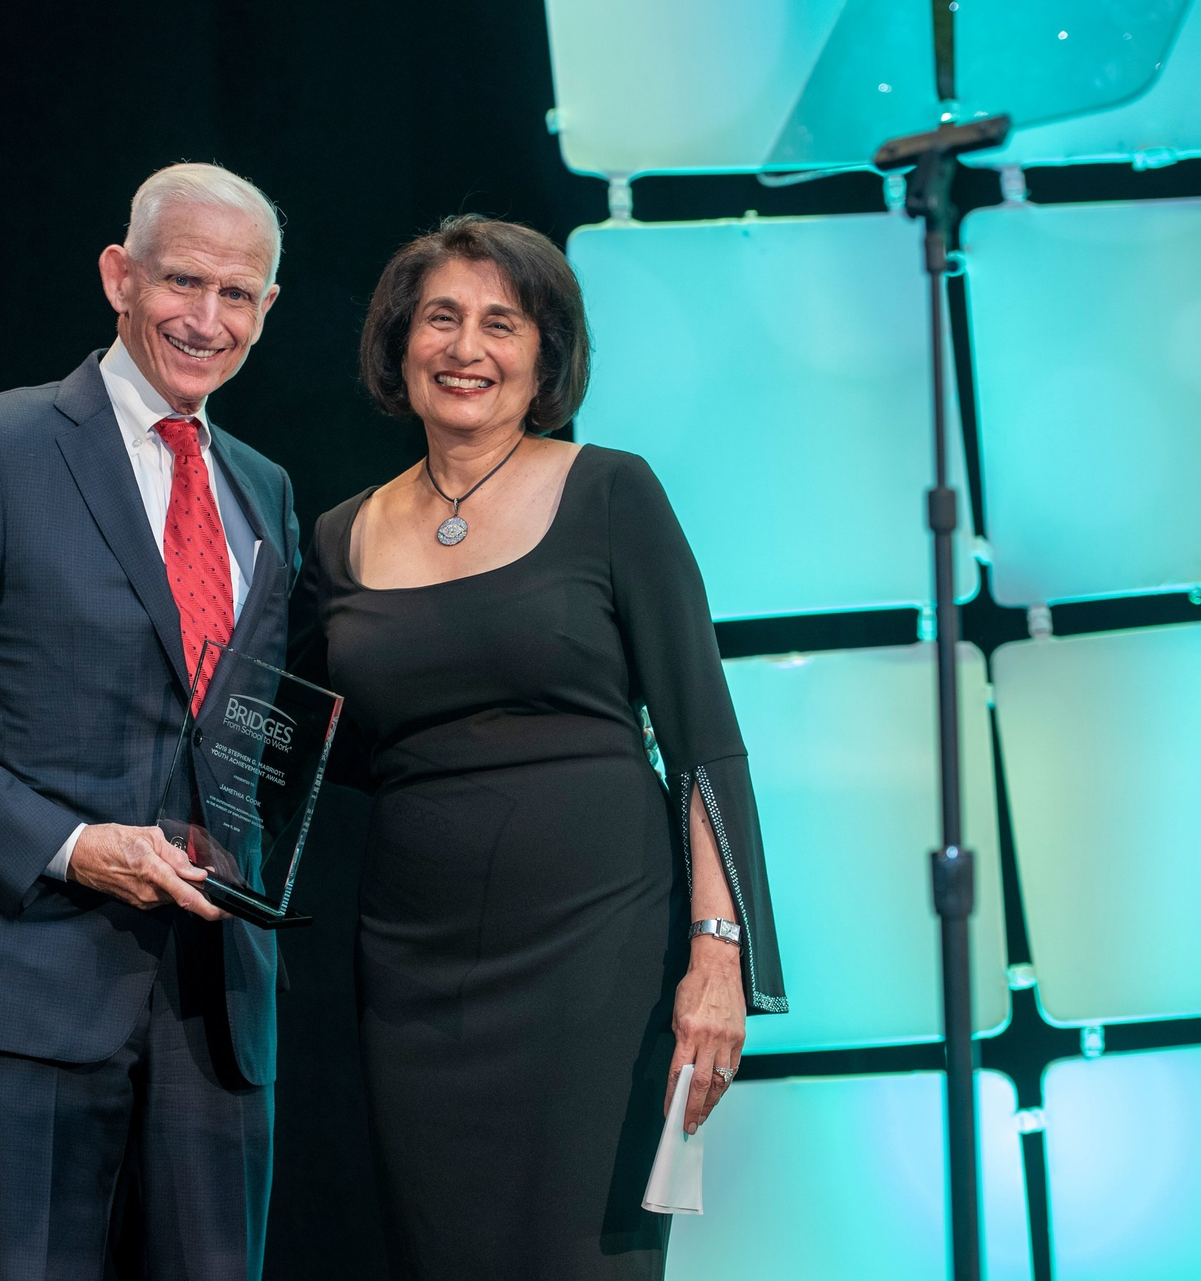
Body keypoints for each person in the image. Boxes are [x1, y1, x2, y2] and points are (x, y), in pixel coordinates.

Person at [0, 163, 296, 1280]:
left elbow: (243, 726)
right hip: (28, 983)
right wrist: (74, 847)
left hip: (217, 1004)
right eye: (184, 281)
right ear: (119, 277)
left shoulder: (262, 489)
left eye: (239, 295)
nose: (207, 319)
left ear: (269, 310)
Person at [291, 215, 787, 1280]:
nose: (467, 348)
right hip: (416, 966)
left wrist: (717, 956)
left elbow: (703, 738)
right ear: (400, 342)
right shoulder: (335, 540)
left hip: (598, 950)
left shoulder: (611, 492)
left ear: (545, 355)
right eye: (442, 319)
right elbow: (315, 745)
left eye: (500, 324)